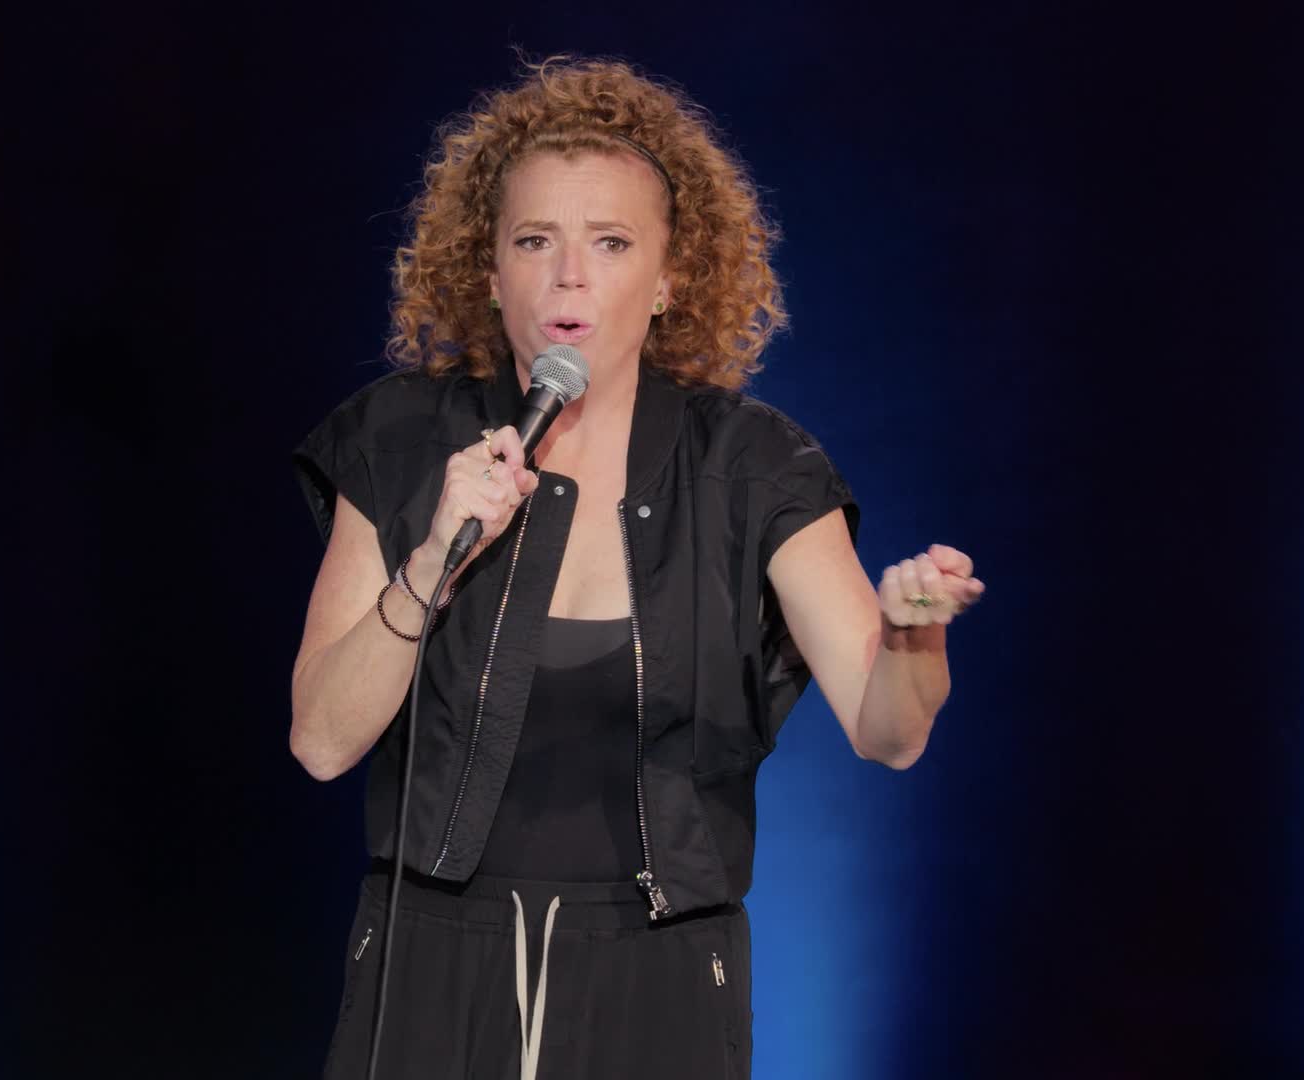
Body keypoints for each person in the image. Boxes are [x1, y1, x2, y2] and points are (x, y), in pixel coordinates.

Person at [289, 55, 985, 1079]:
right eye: (535, 241)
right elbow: (319, 742)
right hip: (430, 973)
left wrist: (914, 636)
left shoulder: (752, 468)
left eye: (610, 243)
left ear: (668, 280)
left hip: (660, 986)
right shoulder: (399, 444)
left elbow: (889, 734)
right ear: (488, 271)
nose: (569, 275)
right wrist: (432, 558)